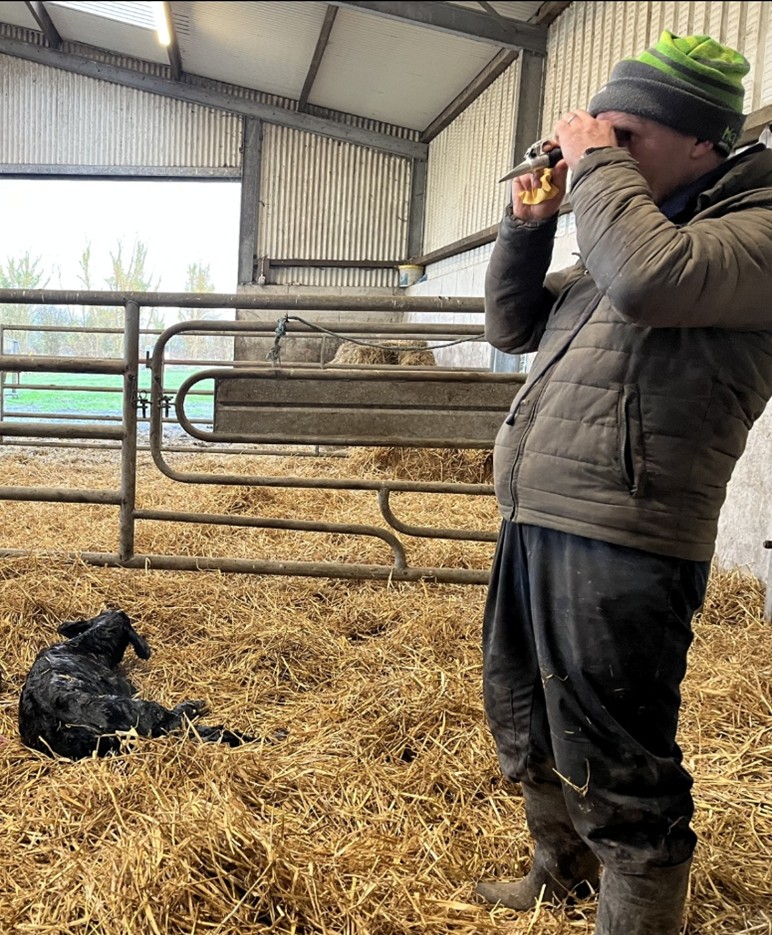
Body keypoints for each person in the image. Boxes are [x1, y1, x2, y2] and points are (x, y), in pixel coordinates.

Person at [474, 30, 772, 935]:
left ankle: (636, 915)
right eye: (599, 136)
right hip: (541, 509)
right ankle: (558, 869)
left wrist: (596, 164)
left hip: (629, 531)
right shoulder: (633, 224)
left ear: (702, 144)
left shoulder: (745, 232)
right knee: (524, 711)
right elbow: (511, 322)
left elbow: (647, 281)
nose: (601, 150)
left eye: (626, 134)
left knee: (619, 755)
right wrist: (528, 223)